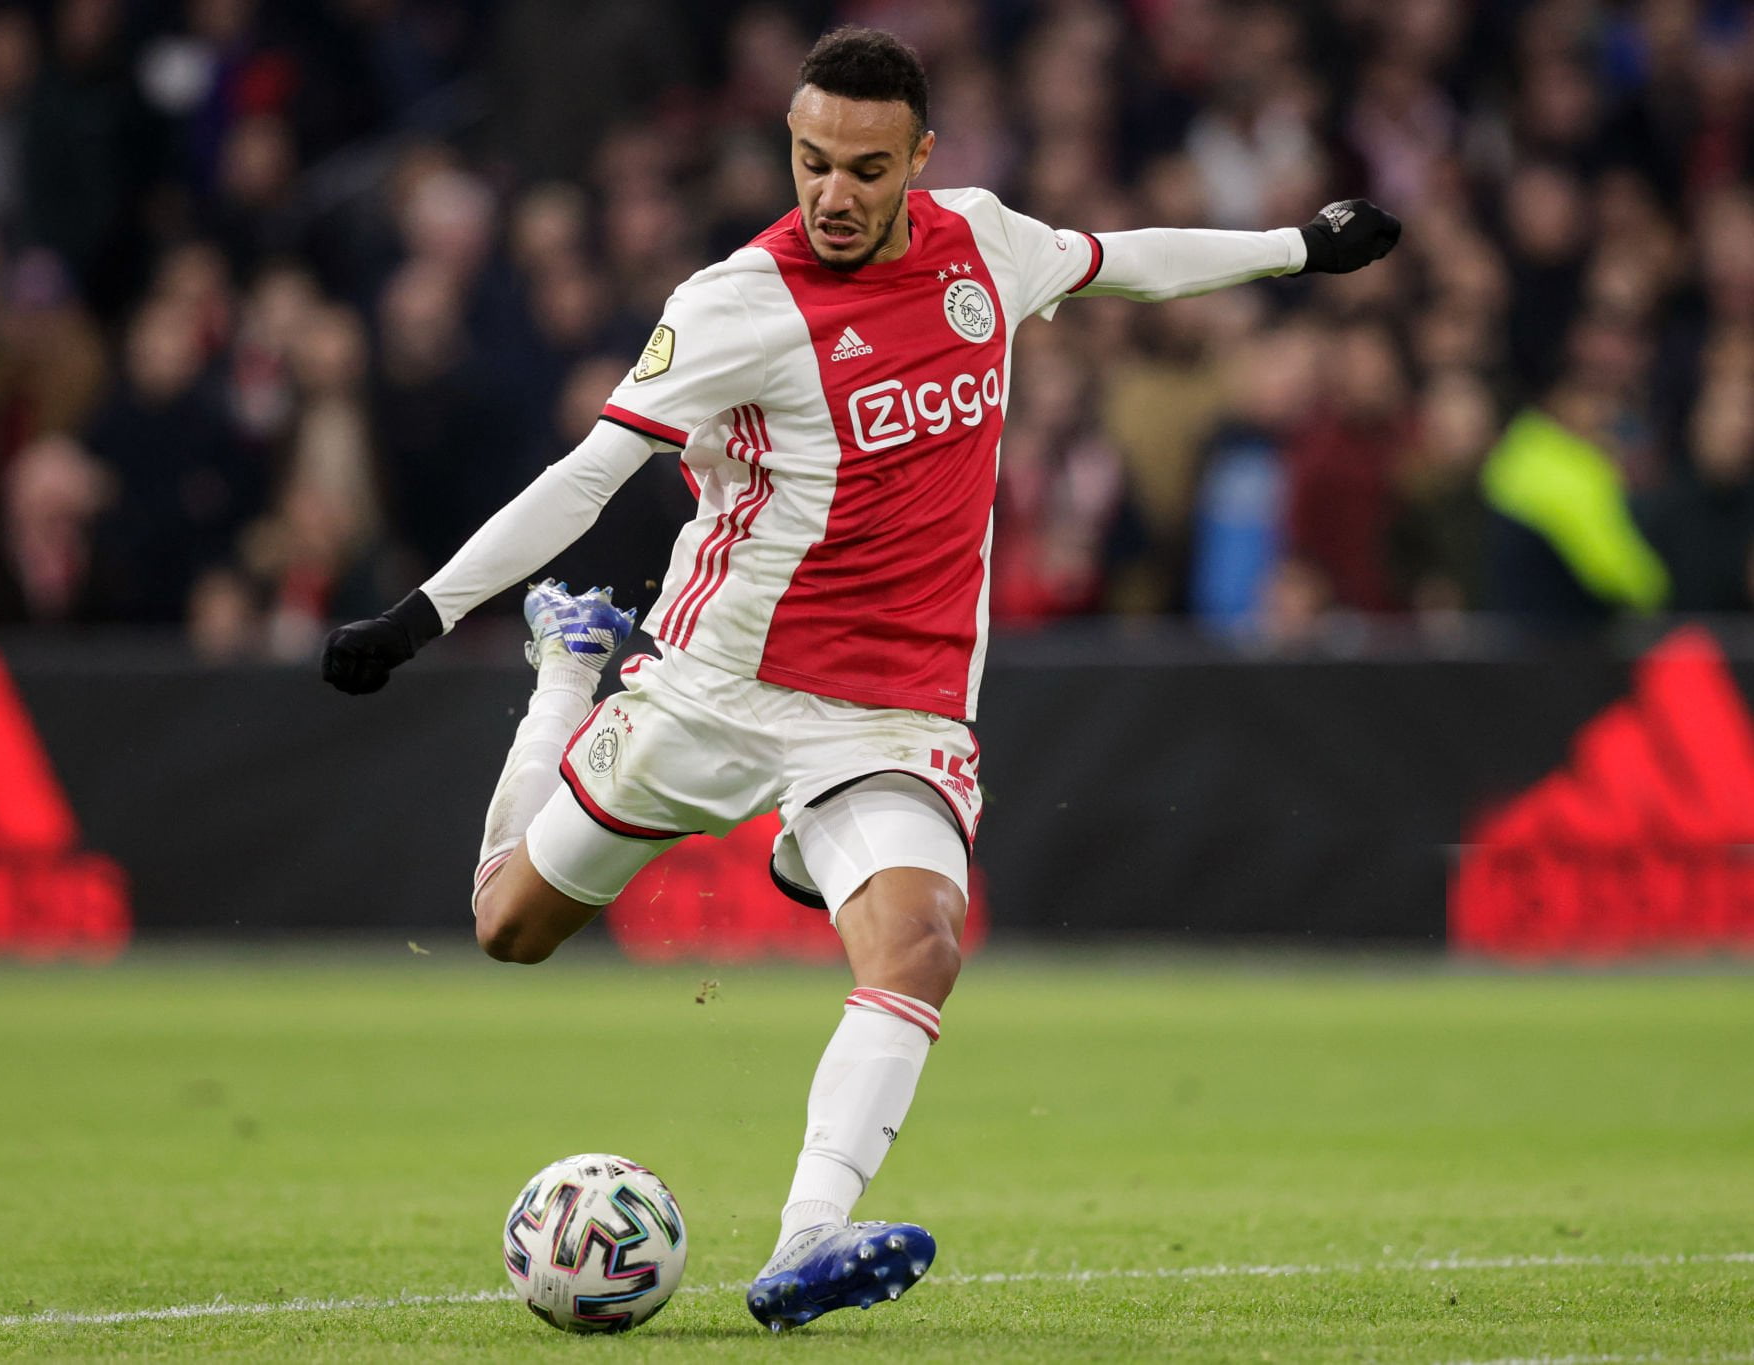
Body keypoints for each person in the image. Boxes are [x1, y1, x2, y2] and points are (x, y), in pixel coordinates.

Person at [321, 25, 1399, 1331]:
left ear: (920, 160)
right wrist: (420, 616)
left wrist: (1299, 247)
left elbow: (1127, 268)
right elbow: (586, 475)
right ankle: (567, 669)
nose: (832, 193)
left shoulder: (982, 245)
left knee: (923, 940)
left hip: (891, 709)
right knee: (510, 927)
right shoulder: (734, 304)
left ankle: (804, 1241)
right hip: (715, 686)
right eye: (810, 160)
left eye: (865, 168)